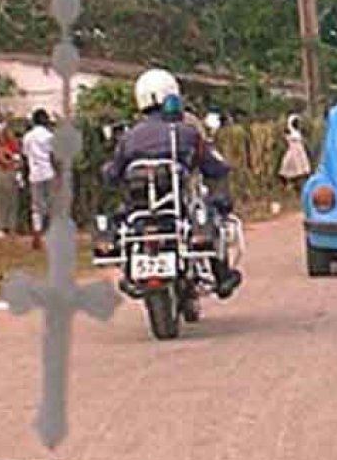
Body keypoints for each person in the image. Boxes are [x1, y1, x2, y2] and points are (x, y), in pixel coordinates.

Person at [102, 68, 240, 297]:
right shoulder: (187, 132)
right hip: (177, 206)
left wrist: (109, 171)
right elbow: (215, 167)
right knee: (209, 216)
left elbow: (112, 173)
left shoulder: (129, 137)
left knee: (123, 221)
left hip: (140, 210)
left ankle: (128, 272)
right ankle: (221, 275)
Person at [21, 108, 55, 249]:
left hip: (34, 174)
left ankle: (37, 232)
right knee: (50, 204)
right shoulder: (49, 136)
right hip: (48, 172)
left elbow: (25, 154)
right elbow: (54, 155)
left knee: (37, 206)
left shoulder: (27, 137)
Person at [0, 120, 21, 238]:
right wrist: (13, 160)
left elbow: (15, 151)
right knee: (2, 200)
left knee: (12, 200)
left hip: (11, 173)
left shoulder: (5, 145)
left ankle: (12, 227)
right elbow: (4, 161)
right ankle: (1, 227)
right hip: (2, 173)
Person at [278, 113, 312, 192]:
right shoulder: (289, 131)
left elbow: (302, 141)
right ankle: (289, 185)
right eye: (296, 122)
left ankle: (300, 187)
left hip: (300, 152)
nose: (298, 124)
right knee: (287, 169)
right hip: (293, 152)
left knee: (302, 170)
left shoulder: (298, 132)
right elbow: (286, 138)